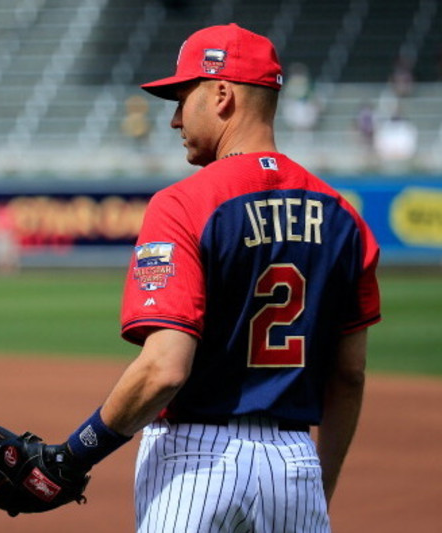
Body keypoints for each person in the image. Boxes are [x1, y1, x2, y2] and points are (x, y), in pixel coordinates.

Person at [53, 24, 381, 532]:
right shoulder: (344, 217)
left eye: (184, 98)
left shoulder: (184, 203)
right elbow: (349, 375)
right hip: (295, 464)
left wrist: (72, 456)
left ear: (222, 94)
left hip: (197, 462)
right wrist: (318, 483)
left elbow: (163, 369)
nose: (175, 118)